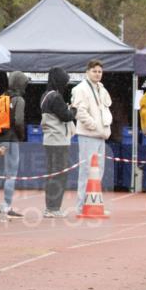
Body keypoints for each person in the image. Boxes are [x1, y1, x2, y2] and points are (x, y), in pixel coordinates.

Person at [71, 59, 112, 213]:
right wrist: (94, 126)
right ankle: (81, 205)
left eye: (100, 71)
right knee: (87, 170)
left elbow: (105, 108)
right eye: (94, 71)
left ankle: (94, 203)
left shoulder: (101, 88)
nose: (97, 74)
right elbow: (80, 112)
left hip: (101, 135)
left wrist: (103, 128)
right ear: (87, 72)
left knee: (98, 170)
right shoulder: (81, 89)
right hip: (89, 134)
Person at [40, 67, 77, 217]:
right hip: (58, 141)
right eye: (64, 80)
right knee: (60, 175)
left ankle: (50, 207)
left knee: (52, 174)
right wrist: (74, 109)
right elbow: (66, 116)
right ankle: (53, 208)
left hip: (49, 139)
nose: (66, 84)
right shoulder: (55, 97)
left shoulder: (45, 95)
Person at [0, 71, 28, 218]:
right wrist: (21, 136)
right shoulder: (19, 100)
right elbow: (18, 121)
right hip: (11, 140)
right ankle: (6, 206)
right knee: (11, 174)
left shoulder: (1, 97)